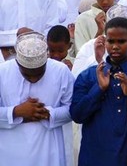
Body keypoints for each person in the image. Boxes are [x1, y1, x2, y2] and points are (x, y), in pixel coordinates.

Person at [70, 17, 127, 166]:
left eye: (121, 41)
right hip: (96, 157)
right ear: (105, 42)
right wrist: (99, 89)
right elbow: (77, 115)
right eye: (111, 41)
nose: (115, 47)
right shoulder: (88, 75)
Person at [0, 32, 74, 166]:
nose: (33, 79)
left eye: (39, 73)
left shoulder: (61, 71)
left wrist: (48, 114)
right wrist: (16, 112)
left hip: (49, 150)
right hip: (10, 152)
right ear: (18, 62)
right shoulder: (2, 72)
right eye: (27, 74)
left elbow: (74, 108)